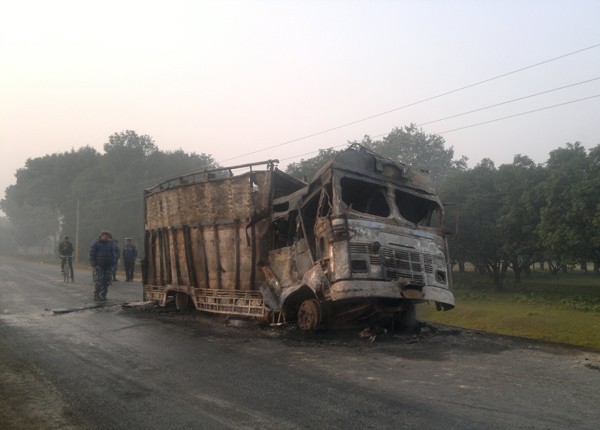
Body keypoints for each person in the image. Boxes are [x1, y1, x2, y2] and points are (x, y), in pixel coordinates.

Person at [89, 229, 116, 301]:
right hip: (99, 265)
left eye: (107, 236)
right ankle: (97, 295)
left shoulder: (110, 244)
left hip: (108, 266)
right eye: (105, 236)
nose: (106, 237)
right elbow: (92, 254)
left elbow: (113, 254)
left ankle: (103, 295)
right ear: (101, 236)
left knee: (107, 281)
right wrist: (94, 264)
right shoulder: (96, 243)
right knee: (99, 281)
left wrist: (113, 262)